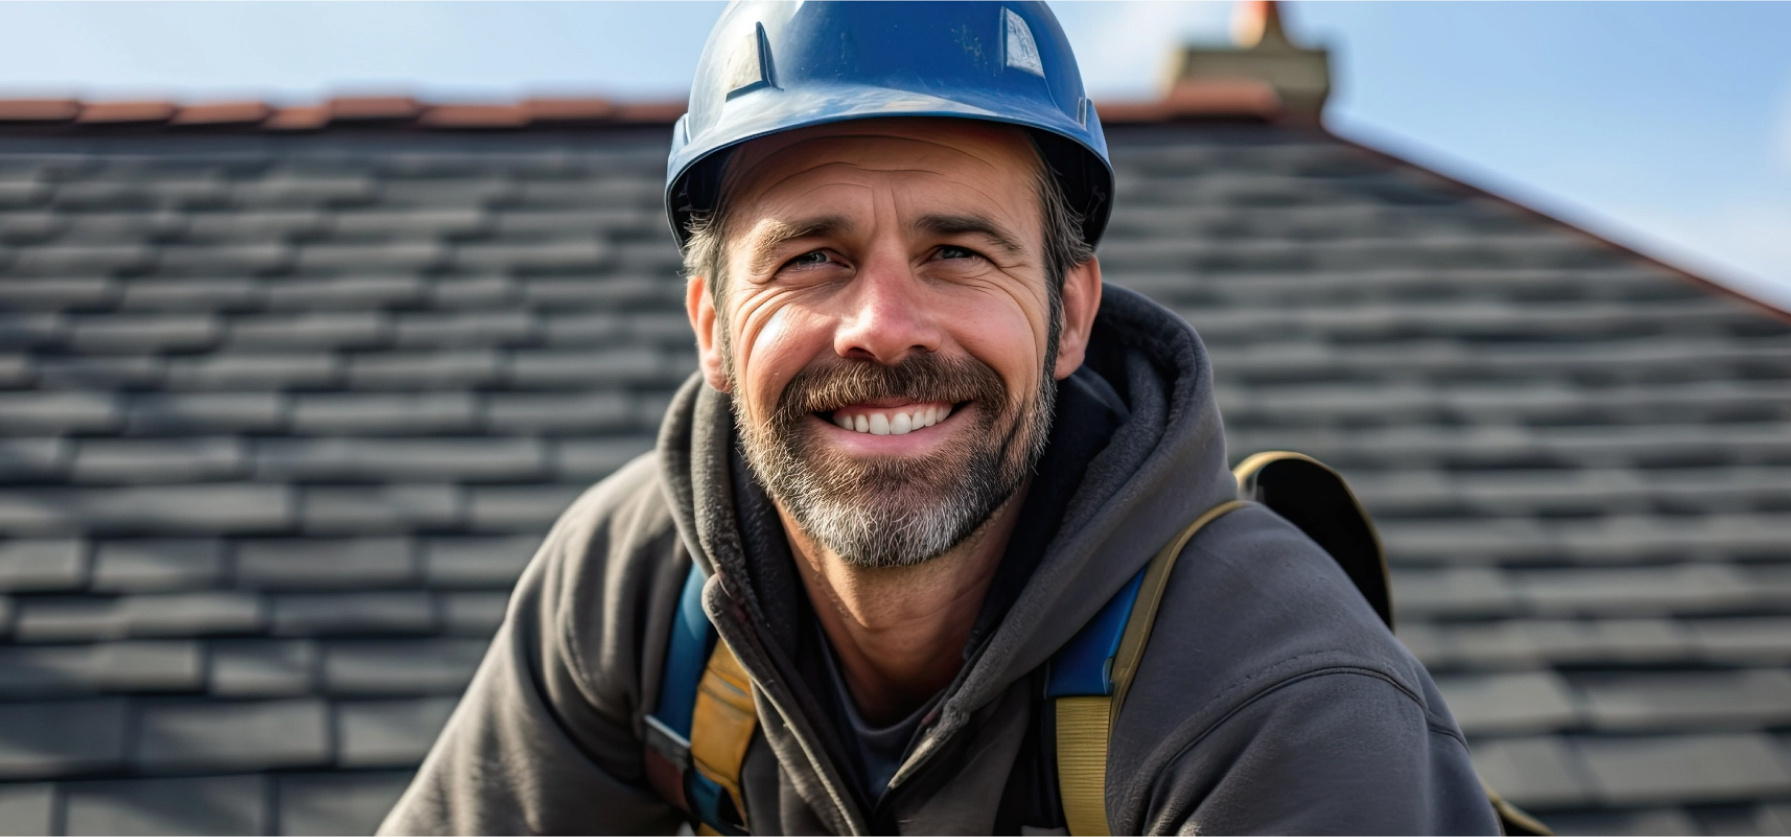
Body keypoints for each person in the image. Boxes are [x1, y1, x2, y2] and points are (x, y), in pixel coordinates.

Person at [381, 2, 1499, 834]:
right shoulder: (637, 593)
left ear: (1068, 315)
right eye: (812, 256)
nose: (881, 326)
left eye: (956, 252)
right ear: (713, 328)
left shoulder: (1274, 705)